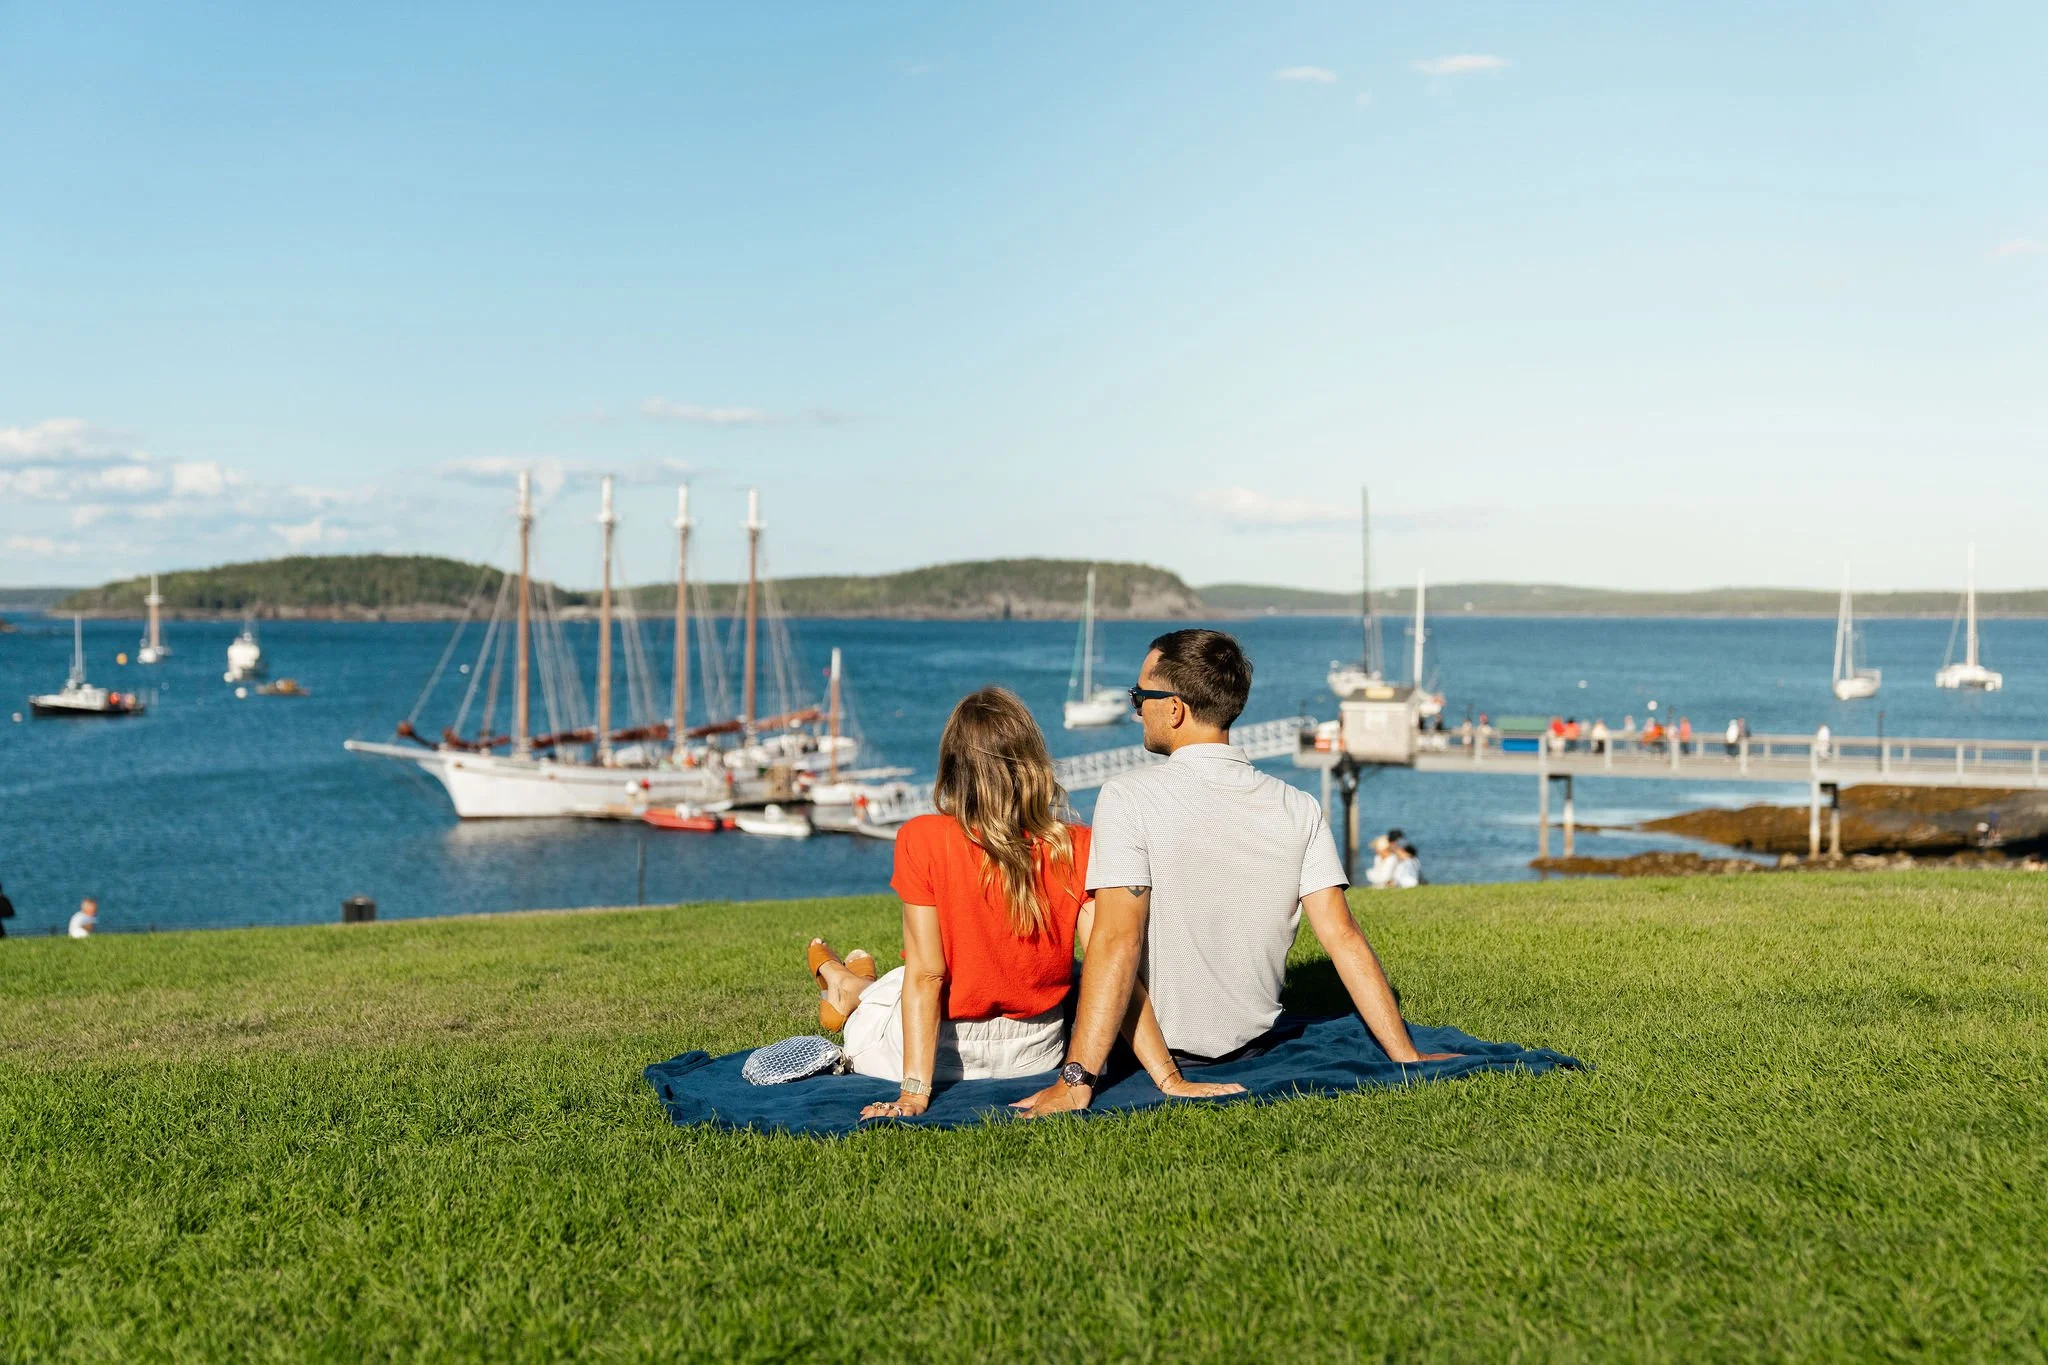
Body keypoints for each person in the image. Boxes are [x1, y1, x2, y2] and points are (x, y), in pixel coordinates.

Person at [1017, 629, 1454, 1117]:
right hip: (1254, 1046)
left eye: (1140, 697)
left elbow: (1118, 941)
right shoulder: (1299, 807)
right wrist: (1407, 1056)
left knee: (1094, 915)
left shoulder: (1127, 798)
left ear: (1176, 709)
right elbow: (1344, 938)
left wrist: (1077, 1079)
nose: (1137, 709)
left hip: (1149, 1053)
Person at [806, 686, 1241, 1121]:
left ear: (954, 768)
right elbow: (1113, 966)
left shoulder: (922, 838)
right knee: (907, 977)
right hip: (1035, 1055)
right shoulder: (1078, 846)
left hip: (941, 1054)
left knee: (898, 983)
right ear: (1032, 764)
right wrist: (1170, 1078)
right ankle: (850, 983)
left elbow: (928, 975)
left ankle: (845, 986)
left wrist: (915, 1094)